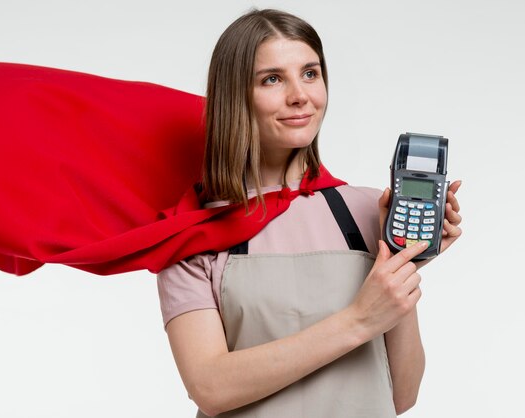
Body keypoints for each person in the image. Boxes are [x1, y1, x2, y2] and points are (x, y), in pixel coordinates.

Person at [156, 8, 462, 418]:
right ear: (235, 95)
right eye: (272, 78)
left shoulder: (371, 213)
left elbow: (401, 395)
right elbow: (210, 386)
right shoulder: (193, 233)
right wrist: (358, 320)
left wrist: (404, 257)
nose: (300, 95)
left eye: (310, 73)